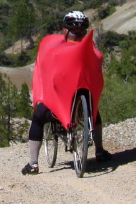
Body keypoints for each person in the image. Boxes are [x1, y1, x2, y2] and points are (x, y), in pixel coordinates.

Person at [21, 10, 112, 175]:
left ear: (65, 30)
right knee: (94, 113)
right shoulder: (90, 50)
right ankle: (99, 151)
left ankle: (33, 164)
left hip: (57, 107)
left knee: (38, 118)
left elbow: (47, 74)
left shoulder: (53, 48)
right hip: (84, 99)